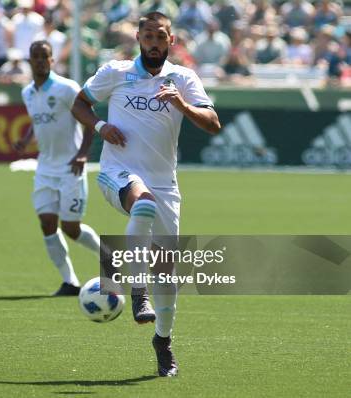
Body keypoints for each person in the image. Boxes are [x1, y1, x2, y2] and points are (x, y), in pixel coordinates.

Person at [71, 12, 221, 377]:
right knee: (143, 203)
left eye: (161, 37)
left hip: (164, 182)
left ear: (171, 41)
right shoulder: (115, 72)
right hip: (117, 173)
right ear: (138, 37)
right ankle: (138, 290)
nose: (154, 42)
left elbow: (213, 124)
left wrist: (182, 105)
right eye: (148, 36)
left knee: (168, 274)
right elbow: (79, 103)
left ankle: (162, 341)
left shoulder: (183, 78)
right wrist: (102, 126)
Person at [14, 40, 101, 296]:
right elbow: (36, 121)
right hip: (44, 169)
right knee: (47, 224)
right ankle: (69, 281)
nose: (40, 61)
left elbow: (90, 121)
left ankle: (108, 256)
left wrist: (83, 155)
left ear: (52, 61)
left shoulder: (66, 88)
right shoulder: (27, 92)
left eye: (45, 56)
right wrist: (26, 139)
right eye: (36, 56)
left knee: (71, 229)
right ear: (29, 61)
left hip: (70, 168)